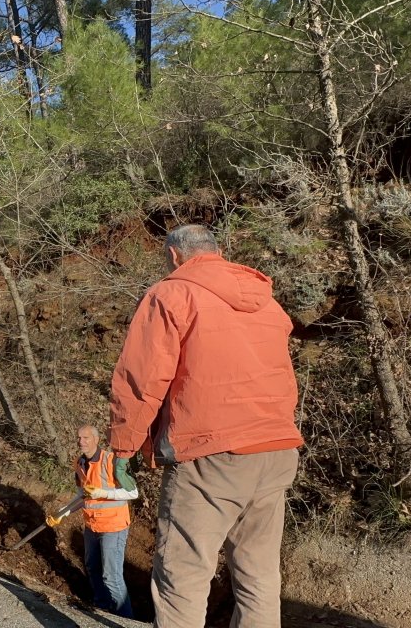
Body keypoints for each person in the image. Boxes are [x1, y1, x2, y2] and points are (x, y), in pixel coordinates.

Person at [108, 224, 304, 628]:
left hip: (211, 453)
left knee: (183, 573)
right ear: (217, 251)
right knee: (258, 574)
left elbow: (141, 380)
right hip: (276, 447)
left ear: (176, 256)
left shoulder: (171, 293)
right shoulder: (267, 302)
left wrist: (124, 446)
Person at [49, 425, 138, 619]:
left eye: (86, 438)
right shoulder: (79, 463)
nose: (82, 441)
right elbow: (82, 496)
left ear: (96, 440)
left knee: (111, 577)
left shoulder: (111, 461)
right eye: (79, 438)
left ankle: (125, 619)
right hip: (91, 526)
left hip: (113, 527)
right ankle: (102, 606)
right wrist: (62, 513)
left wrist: (102, 493)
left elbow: (133, 492)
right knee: (92, 567)